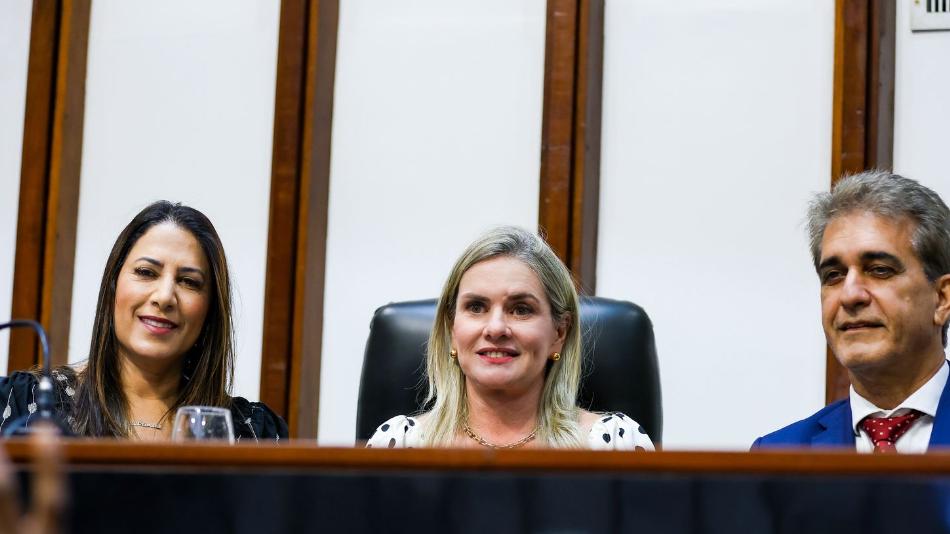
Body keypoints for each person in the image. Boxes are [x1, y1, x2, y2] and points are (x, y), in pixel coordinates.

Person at [0, 201, 287, 442]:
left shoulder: (254, 432)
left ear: (210, 310)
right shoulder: (25, 404)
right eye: (146, 272)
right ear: (113, 286)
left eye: (188, 281)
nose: (164, 297)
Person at [367, 226, 654, 450]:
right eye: (476, 307)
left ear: (559, 333)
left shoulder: (616, 444)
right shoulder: (397, 445)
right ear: (452, 330)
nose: (495, 329)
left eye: (521, 309)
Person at [753, 170, 950, 453]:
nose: (850, 295)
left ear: (942, 299)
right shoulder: (777, 455)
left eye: (879, 270)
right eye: (833, 275)